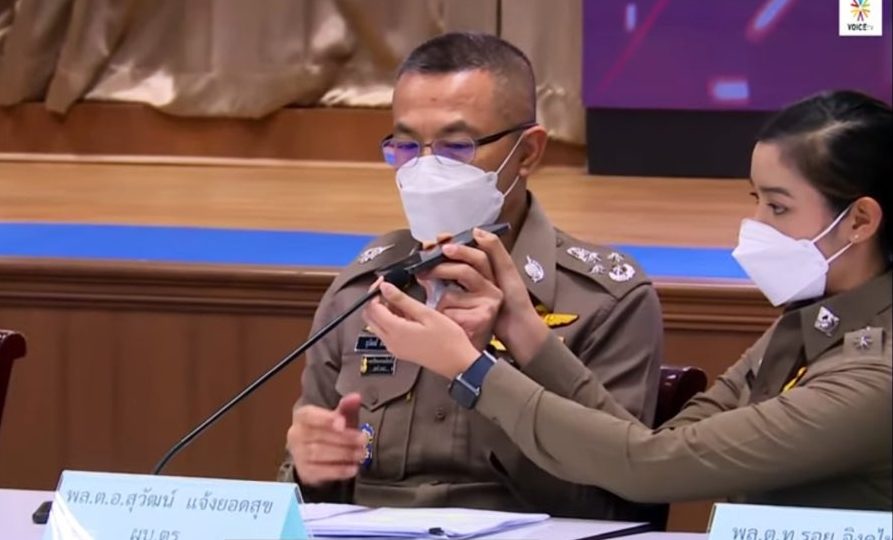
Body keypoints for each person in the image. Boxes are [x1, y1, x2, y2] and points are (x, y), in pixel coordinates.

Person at [363, 90, 893, 509]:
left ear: (861, 220)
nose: (754, 227)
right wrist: (521, 325)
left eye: (778, 208)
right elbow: (641, 443)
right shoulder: (804, 326)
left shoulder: (876, 373)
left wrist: (472, 371)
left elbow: (652, 468)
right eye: (756, 201)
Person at [277, 32, 665, 519]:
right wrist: (311, 472)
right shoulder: (362, 290)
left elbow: (617, 491)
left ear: (526, 153)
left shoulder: (605, 300)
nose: (423, 169)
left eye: (455, 147)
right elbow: (303, 497)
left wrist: (497, 368)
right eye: (405, 145)